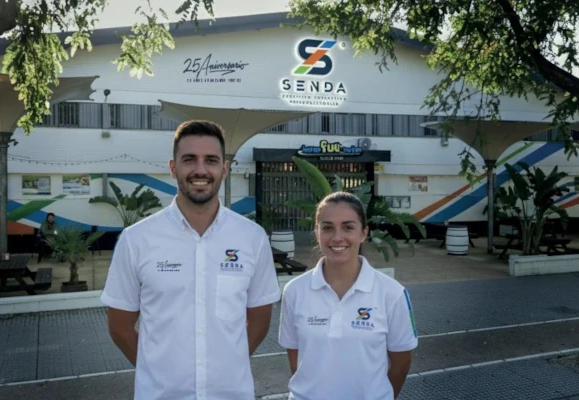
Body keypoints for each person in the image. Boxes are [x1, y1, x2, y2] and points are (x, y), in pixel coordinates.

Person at [102, 120, 281, 399]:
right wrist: (157, 371)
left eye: (211, 160)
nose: (200, 170)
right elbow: (120, 328)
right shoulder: (136, 239)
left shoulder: (252, 238)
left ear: (224, 169)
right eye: (189, 159)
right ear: (173, 167)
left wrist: (227, 366)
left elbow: (259, 321)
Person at [278, 191, 418, 400]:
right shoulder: (294, 291)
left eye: (348, 227)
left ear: (363, 233)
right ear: (317, 232)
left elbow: (401, 363)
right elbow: (296, 358)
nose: (337, 237)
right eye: (327, 228)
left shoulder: (392, 293)